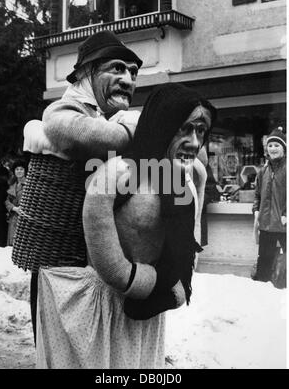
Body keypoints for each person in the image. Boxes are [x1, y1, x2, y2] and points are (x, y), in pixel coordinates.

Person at [35, 83, 216, 369]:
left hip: (150, 308)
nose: (194, 142)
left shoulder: (187, 181)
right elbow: (103, 251)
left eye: (201, 131)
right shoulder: (119, 173)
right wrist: (141, 281)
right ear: (162, 124)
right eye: (184, 129)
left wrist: (176, 285)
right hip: (108, 307)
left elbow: (189, 241)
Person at [14, 30, 143, 343]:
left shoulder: (105, 116)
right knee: (62, 351)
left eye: (133, 72)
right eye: (117, 68)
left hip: (90, 267)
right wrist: (132, 127)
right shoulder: (65, 109)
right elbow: (73, 133)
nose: (128, 80)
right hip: (59, 268)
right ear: (87, 72)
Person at [252, 127, 286, 282]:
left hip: (284, 225)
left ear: (284, 148)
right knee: (263, 268)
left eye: (277, 145)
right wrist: (255, 210)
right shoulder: (262, 171)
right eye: (270, 145)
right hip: (265, 225)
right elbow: (257, 196)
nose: (273, 148)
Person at [5, 159, 27, 246]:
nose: (19, 171)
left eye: (21, 169)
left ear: (25, 170)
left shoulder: (30, 184)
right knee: (11, 244)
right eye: (17, 169)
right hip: (13, 217)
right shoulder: (11, 184)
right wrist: (14, 208)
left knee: (21, 245)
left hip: (24, 217)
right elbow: (5, 199)